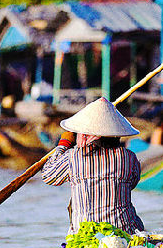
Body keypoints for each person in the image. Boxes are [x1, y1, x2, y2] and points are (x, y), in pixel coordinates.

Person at [42, 97, 144, 234]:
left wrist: (63, 145)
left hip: (86, 236)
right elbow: (131, 183)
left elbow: (48, 176)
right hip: (126, 232)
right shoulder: (129, 157)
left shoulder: (73, 157)